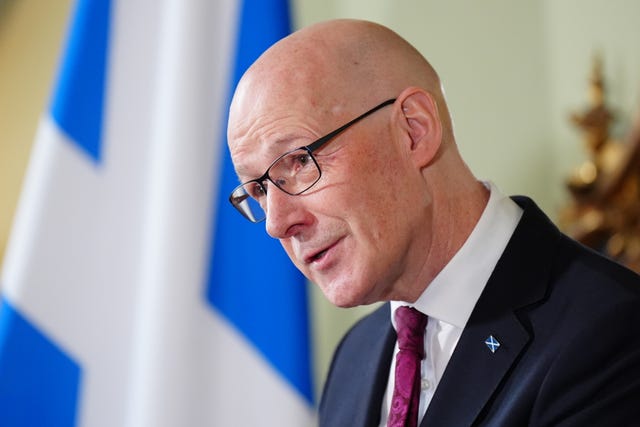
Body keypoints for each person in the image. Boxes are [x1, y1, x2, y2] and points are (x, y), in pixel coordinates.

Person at [226, 19, 640, 427]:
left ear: (414, 130)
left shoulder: (612, 332)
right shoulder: (354, 357)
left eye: (299, 161)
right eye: (260, 190)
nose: (276, 224)